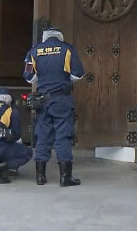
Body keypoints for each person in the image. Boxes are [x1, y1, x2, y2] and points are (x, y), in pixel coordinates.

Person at [23, 25, 85, 187]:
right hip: (61, 99)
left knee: (42, 135)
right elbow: (78, 74)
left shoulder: (34, 52)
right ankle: (65, 177)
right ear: (59, 37)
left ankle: (40, 176)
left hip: (42, 101)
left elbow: (29, 77)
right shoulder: (68, 49)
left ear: (45, 37)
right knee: (63, 135)